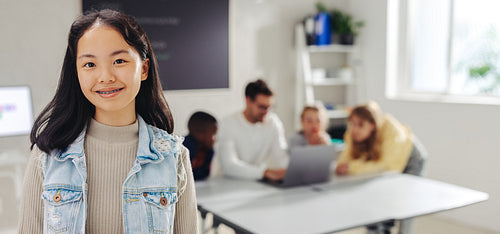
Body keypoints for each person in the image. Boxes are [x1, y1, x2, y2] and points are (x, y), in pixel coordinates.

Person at [18, 9, 198, 234]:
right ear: (77, 73)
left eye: (119, 60)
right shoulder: (47, 156)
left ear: (143, 69)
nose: (105, 76)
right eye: (90, 65)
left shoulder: (174, 156)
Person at [335, 101, 426, 234]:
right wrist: (343, 166)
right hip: (384, 163)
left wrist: (351, 167)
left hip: (410, 159)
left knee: (406, 206)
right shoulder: (354, 132)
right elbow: (346, 157)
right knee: (375, 199)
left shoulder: (393, 131)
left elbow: (386, 165)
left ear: (372, 125)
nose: (354, 129)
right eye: (352, 123)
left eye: (360, 125)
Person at [214, 79, 288, 181]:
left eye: (269, 107)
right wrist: (265, 173)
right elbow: (229, 166)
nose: (266, 112)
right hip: (228, 183)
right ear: (248, 101)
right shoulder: (228, 123)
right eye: (262, 107)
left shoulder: (273, 122)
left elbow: (282, 158)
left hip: (258, 183)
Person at [183, 111, 217, 181]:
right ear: (199, 134)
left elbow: (205, 174)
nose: (215, 139)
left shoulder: (209, 150)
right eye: (213, 134)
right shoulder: (185, 148)